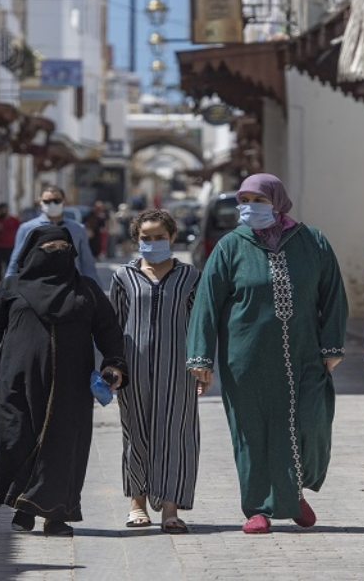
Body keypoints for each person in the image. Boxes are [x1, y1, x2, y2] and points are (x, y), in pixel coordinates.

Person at [186, 173, 348, 534]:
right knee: (252, 430)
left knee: (310, 422)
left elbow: (333, 293)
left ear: (276, 201)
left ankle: (293, 494)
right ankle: (258, 507)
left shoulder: (311, 241)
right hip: (246, 358)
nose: (249, 207)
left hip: (304, 352)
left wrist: (332, 345)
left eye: (257, 200)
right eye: (244, 200)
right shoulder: (231, 246)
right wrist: (201, 358)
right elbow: (207, 303)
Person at [0, 225, 128, 537]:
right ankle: (24, 505)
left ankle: (57, 515)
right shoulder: (12, 286)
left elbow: (109, 330)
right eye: (50, 247)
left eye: (63, 247)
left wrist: (114, 365)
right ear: (33, 252)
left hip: (69, 387)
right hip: (18, 384)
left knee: (64, 447)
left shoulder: (87, 289)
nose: (58, 251)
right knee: (18, 440)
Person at [110, 209, 201, 534]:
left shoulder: (190, 277)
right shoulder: (123, 276)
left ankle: (171, 509)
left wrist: (203, 363)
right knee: (136, 434)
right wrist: (112, 366)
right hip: (132, 370)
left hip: (179, 369)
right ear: (136, 240)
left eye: (159, 237)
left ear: (172, 238)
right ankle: (137, 504)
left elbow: (200, 325)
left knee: (176, 435)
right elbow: (114, 325)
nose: (153, 243)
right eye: (145, 238)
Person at [5, 186, 99, 283]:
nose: (52, 204)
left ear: (64, 201)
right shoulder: (27, 228)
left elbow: (87, 263)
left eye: (56, 200)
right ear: (40, 201)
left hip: (70, 284)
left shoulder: (78, 229)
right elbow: (16, 260)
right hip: (37, 284)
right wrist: (7, 286)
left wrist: (95, 290)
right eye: (47, 201)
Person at [0, 203, 21, 279]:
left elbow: (20, 231)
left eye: (5, 209)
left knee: (9, 265)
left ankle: (8, 280)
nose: (3, 211)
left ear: (7, 210)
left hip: (10, 246)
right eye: (1, 210)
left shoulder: (14, 220)